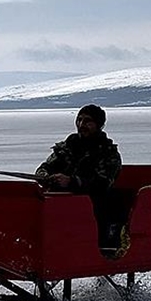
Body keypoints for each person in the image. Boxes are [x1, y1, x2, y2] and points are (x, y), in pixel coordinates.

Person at [36, 104, 124, 247]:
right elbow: (44, 167)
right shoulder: (66, 148)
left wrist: (72, 182)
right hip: (58, 206)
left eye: (88, 121)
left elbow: (102, 184)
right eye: (79, 119)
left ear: (99, 124)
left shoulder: (108, 153)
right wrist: (45, 177)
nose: (81, 124)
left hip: (92, 209)